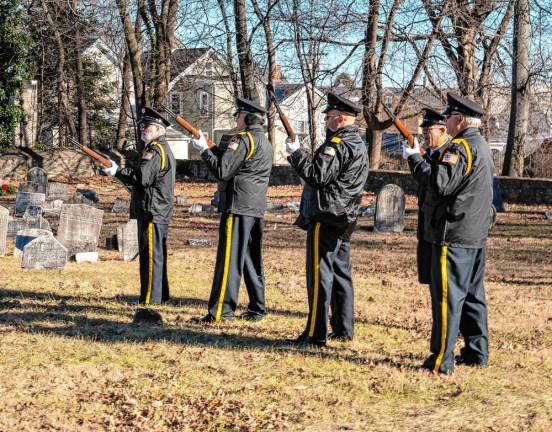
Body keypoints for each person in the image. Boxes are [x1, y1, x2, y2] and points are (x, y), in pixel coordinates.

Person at [403, 93, 494, 374]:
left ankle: (442, 358)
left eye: (450, 117)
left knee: (447, 298)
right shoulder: (481, 146)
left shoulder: (461, 148)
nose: (447, 121)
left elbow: (440, 184)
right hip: (473, 234)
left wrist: (415, 160)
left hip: (453, 233)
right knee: (472, 296)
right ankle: (477, 352)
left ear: (460, 119)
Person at [284, 92, 368, 347]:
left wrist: (296, 153)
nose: (326, 121)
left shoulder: (337, 144)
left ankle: (315, 332)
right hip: (345, 215)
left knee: (320, 274)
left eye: (329, 117)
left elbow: (316, 176)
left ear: (341, 118)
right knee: (341, 272)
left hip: (327, 214)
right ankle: (343, 327)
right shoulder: (357, 143)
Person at [191, 96, 273, 323]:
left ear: (246, 117)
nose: (235, 119)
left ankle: (221, 311)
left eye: (237, 115)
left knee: (228, 260)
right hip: (254, 207)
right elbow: (235, 162)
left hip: (237, 206)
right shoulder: (262, 141)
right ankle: (258, 307)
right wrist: (209, 145)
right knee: (250, 259)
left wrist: (204, 152)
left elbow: (223, 171)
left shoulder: (243, 139)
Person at [103, 107, 176, 305]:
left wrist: (117, 171)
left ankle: (151, 299)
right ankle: (160, 295)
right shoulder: (156, 149)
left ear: (160, 129)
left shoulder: (155, 150)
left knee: (150, 257)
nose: (143, 128)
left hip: (153, 210)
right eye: (142, 125)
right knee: (155, 255)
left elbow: (142, 178)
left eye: (148, 125)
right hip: (156, 208)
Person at [415, 108, 450, 285]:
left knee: (441, 284)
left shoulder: (448, 153)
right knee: (430, 278)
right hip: (427, 224)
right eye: (424, 131)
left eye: (429, 131)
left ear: (443, 130)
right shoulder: (431, 152)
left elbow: (434, 183)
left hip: (439, 226)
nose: (425, 135)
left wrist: (415, 158)